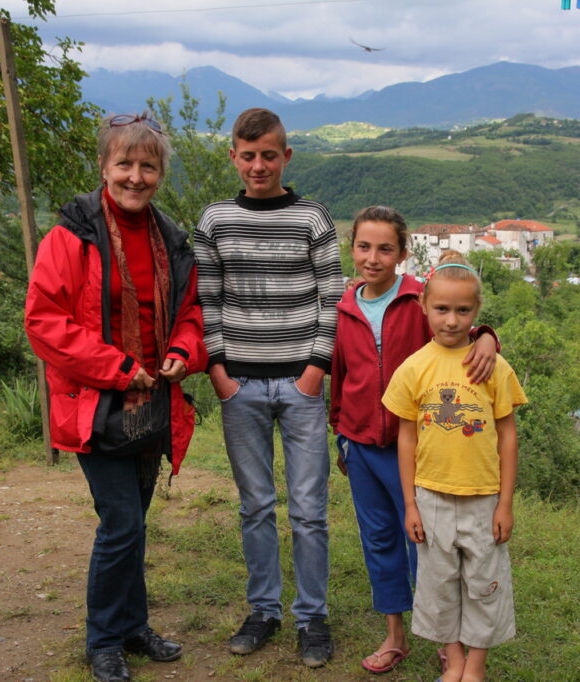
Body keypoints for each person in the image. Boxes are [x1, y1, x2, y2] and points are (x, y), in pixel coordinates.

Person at [25, 113, 207, 682]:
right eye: (124, 164)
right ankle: (102, 638)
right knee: (121, 523)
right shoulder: (70, 237)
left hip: (153, 402)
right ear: (104, 167)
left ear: (160, 173)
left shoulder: (172, 240)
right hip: (96, 403)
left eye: (147, 165)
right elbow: (43, 322)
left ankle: (132, 626)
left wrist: (182, 349)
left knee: (134, 523)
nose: (135, 176)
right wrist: (119, 367)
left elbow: (191, 315)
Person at [193, 107, 343, 668]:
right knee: (255, 506)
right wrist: (219, 374)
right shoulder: (214, 221)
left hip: (300, 385)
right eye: (248, 155)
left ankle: (312, 616)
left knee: (308, 509)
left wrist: (314, 370)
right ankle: (264, 610)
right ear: (233, 156)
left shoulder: (312, 219)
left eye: (269, 155)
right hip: (242, 387)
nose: (259, 165)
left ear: (286, 156)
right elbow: (207, 301)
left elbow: (333, 299)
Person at [329, 207, 499, 674]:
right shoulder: (346, 307)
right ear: (353, 249)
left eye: (386, 248)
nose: (373, 257)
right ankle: (396, 635)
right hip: (361, 446)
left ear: (403, 254)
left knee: (429, 545)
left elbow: (456, 329)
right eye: (364, 246)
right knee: (379, 541)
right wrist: (340, 431)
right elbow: (341, 373)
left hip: (416, 450)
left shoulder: (418, 301)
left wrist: (488, 336)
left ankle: (450, 640)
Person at [382, 251, 526, 682]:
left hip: (484, 499)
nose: (451, 320)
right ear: (423, 305)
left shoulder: (493, 366)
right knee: (439, 584)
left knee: (485, 583)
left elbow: (507, 435)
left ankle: (476, 666)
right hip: (431, 497)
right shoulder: (413, 368)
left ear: (476, 312)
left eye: (463, 311)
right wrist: (409, 504)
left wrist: (505, 504)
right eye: (441, 309)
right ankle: (455, 659)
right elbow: (406, 437)